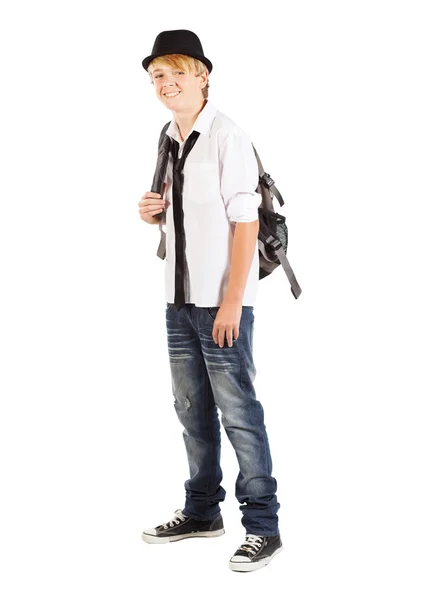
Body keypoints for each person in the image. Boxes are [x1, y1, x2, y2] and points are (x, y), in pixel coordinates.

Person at [138, 29, 283, 572]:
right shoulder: (168, 136)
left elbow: (245, 223)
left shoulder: (227, 135)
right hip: (177, 301)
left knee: (239, 414)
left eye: (177, 72)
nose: (166, 83)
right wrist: (150, 211)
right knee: (192, 411)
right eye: (157, 75)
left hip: (222, 304)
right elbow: (187, 218)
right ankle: (202, 511)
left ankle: (263, 526)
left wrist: (231, 303)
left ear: (203, 76)